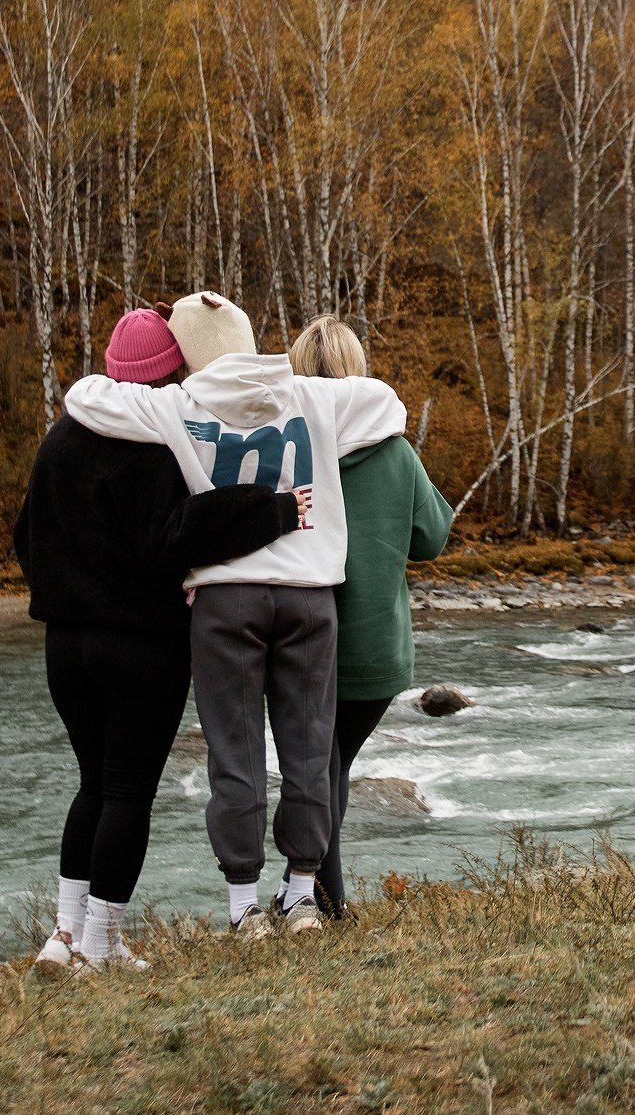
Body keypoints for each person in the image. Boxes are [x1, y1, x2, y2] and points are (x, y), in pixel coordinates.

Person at [61, 291, 406, 938]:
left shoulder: (175, 405)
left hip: (226, 597)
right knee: (308, 743)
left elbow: (85, 396)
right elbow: (387, 405)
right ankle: (300, 894)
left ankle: (243, 905)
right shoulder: (315, 397)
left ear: (189, 350)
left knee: (236, 749)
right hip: (309, 591)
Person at [14, 306, 311, 973]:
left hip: (64, 645)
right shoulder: (156, 442)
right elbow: (182, 531)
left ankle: (62, 936)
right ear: (170, 371)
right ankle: (102, 942)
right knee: (127, 793)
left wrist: (65, 590)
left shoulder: (59, 439)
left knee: (91, 784)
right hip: (140, 646)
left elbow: (23, 535)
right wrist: (279, 509)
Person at [288, 314, 453, 916]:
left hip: (302, 637)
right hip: (379, 647)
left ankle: (318, 900)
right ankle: (310, 895)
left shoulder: (285, 444)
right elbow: (432, 538)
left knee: (320, 768)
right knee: (331, 765)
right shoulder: (396, 451)